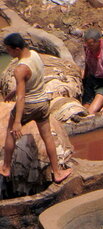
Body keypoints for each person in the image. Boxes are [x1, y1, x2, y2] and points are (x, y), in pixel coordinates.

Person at [1, 33, 72, 184]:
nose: (8, 53)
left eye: (9, 50)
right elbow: (32, 79)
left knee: (10, 133)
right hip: (42, 104)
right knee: (47, 137)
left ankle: (6, 167)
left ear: (17, 49)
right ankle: (57, 172)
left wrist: (18, 121)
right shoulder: (35, 55)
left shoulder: (20, 69)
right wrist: (13, 91)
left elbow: (21, 98)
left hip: (29, 105)